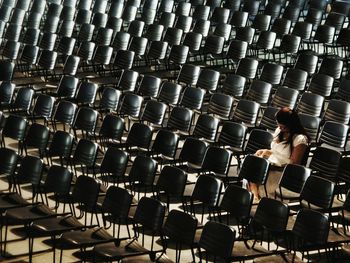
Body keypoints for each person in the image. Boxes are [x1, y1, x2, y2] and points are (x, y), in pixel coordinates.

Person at [248, 107, 310, 202]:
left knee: (256, 172)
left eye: (283, 126)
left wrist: (271, 165)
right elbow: (276, 151)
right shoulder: (279, 130)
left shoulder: (300, 139)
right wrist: (265, 151)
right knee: (250, 165)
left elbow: (294, 165)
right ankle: (256, 196)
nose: (279, 127)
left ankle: (256, 198)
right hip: (273, 165)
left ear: (290, 124)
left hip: (283, 173)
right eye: (278, 124)